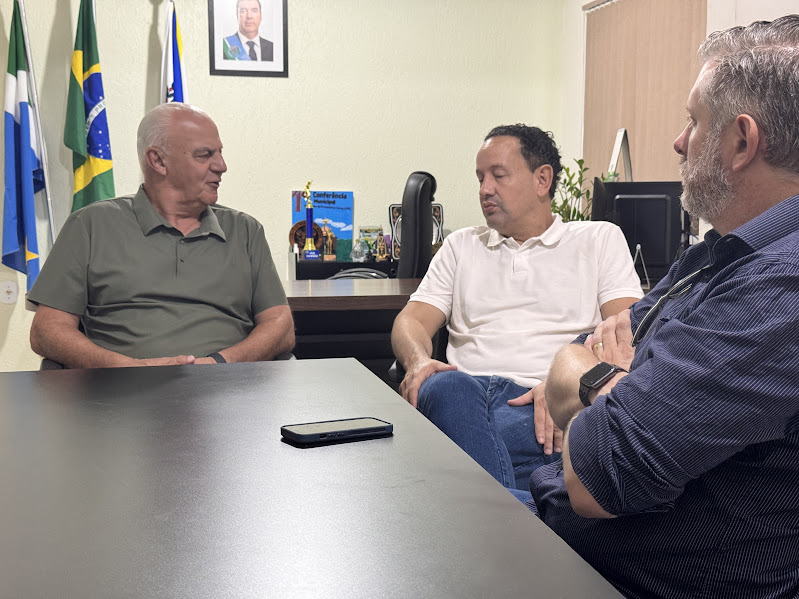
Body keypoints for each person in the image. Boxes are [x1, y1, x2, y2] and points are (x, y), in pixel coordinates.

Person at [531, 15, 799, 598]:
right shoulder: (722, 252)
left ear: (742, 142)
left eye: (693, 121)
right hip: (562, 535)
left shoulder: (781, 287)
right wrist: (610, 383)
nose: (679, 141)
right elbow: (594, 350)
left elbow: (600, 473)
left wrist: (587, 375)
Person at [390, 124, 642, 490]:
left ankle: (497, 519)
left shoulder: (598, 239)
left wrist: (564, 385)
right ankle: (516, 518)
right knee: (443, 386)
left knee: (461, 473)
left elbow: (625, 333)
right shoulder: (462, 245)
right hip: (463, 399)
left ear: (542, 180)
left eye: (498, 176)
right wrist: (417, 362)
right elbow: (411, 320)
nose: (484, 189)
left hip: (538, 406)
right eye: (480, 178)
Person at [28, 103, 294, 368]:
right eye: (205, 155)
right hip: (119, 395)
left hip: (229, 391)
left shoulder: (245, 230)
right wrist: (129, 369)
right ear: (158, 160)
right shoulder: (90, 225)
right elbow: (47, 331)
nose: (222, 166)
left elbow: (280, 326)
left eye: (220, 153)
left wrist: (218, 363)